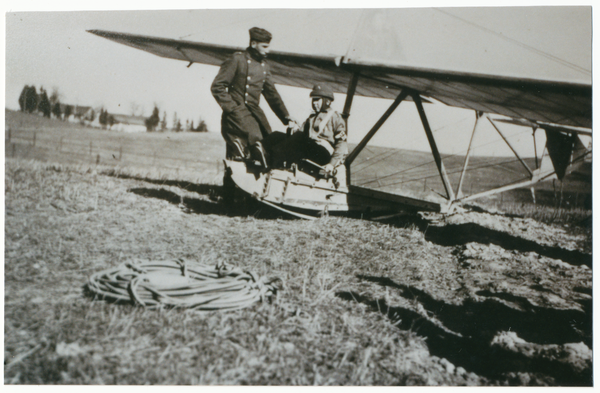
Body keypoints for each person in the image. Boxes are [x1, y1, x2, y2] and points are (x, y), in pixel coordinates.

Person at [211, 27, 297, 160]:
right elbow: (217, 86)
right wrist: (232, 109)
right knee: (253, 142)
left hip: (254, 113)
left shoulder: (264, 67)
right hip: (236, 113)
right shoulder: (237, 60)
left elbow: (271, 94)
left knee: (268, 139)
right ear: (253, 44)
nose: (267, 51)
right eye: (264, 46)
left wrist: (286, 117)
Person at [255, 84, 348, 175]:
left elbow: (342, 143)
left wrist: (331, 164)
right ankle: (257, 150)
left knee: (300, 137)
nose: (314, 103)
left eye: (317, 100)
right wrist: (291, 129)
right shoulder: (312, 118)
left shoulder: (335, 118)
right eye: (313, 100)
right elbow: (298, 134)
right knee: (277, 135)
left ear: (326, 101)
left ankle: (271, 160)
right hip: (310, 148)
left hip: (323, 155)